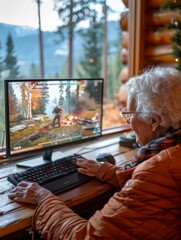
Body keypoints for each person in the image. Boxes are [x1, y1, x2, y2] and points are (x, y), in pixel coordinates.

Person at [9, 66, 181, 239]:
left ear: (153, 120)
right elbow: (156, 188)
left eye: (129, 114)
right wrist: (104, 170)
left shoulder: (155, 171)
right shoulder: (170, 151)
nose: (128, 120)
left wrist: (43, 198)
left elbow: (86, 236)